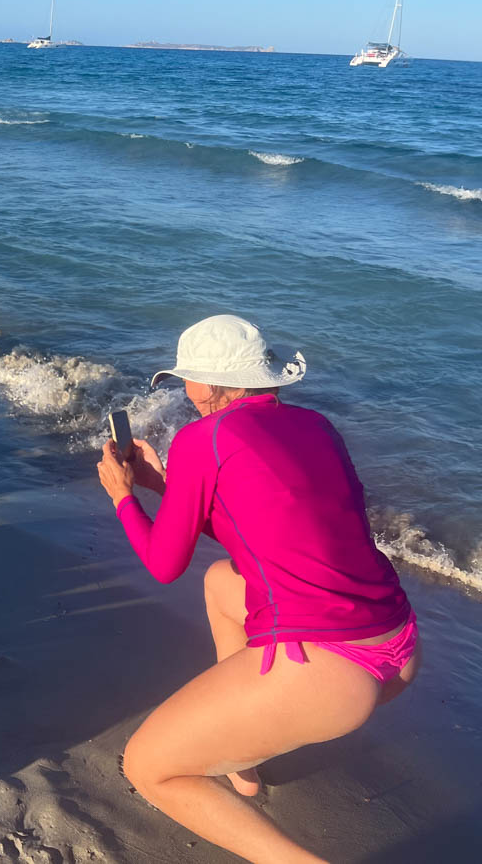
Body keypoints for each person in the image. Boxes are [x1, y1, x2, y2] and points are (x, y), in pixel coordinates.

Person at [95, 314, 419, 864]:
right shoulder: (317, 425)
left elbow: (163, 564)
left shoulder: (203, 438)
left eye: (188, 379)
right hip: (398, 643)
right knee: (223, 581)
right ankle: (242, 761)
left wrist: (123, 497)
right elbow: (267, 530)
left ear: (213, 385)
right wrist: (166, 487)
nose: (186, 391)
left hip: (325, 673)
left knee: (148, 767)